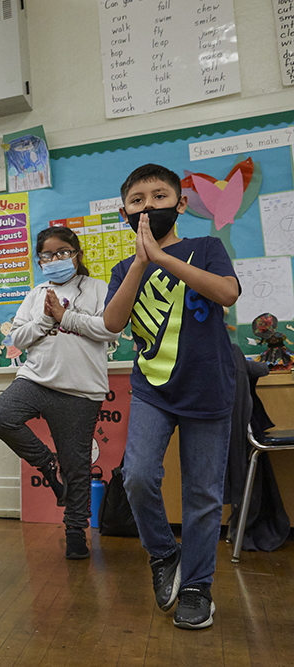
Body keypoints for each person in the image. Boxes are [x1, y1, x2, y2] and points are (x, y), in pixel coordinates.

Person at [103, 163, 240, 630]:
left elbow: (226, 293)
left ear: (180, 203)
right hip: (152, 391)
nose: (149, 207)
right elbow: (113, 323)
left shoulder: (206, 248)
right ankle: (164, 556)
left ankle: (198, 586)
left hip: (209, 389)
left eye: (159, 196)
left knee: (202, 495)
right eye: (137, 201)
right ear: (125, 213)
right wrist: (141, 262)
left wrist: (164, 260)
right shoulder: (124, 268)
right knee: (137, 477)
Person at [0, 226, 121, 560]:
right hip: (35, 380)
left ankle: (76, 531)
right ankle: (47, 464)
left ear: (77, 254)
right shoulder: (35, 294)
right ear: (39, 260)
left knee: (76, 468)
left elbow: (109, 328)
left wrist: (66, 317)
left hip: (81, 390)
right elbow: (17, 338)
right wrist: (46, 320)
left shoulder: (98, 288)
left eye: (62, 252)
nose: (55, 259)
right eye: (47, 255)